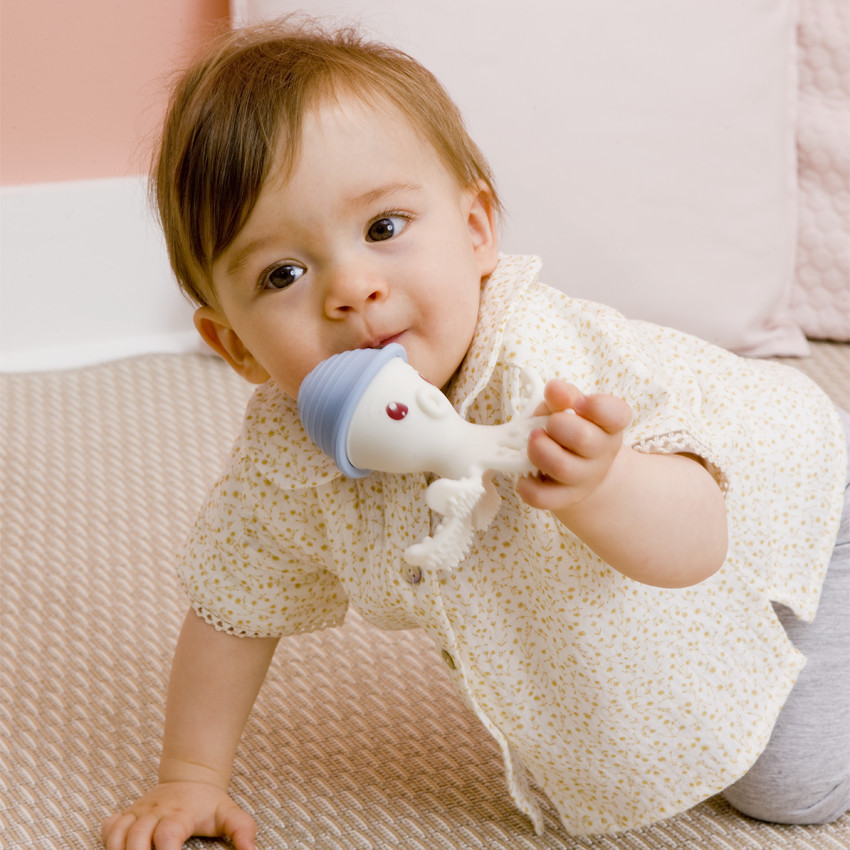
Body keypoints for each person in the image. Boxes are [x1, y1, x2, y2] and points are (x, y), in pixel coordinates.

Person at [102, 17, 849, 850]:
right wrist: (191, 779)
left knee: (795, 788)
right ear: (235, 343)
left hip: (789, 507)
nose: (352, 288)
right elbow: (230, 610)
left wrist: (605, 486)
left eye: (384, 228)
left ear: (477, 230)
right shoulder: (292, 454)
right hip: (685, 561)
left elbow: (694, 546)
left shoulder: (543, 369)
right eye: (283, 274)